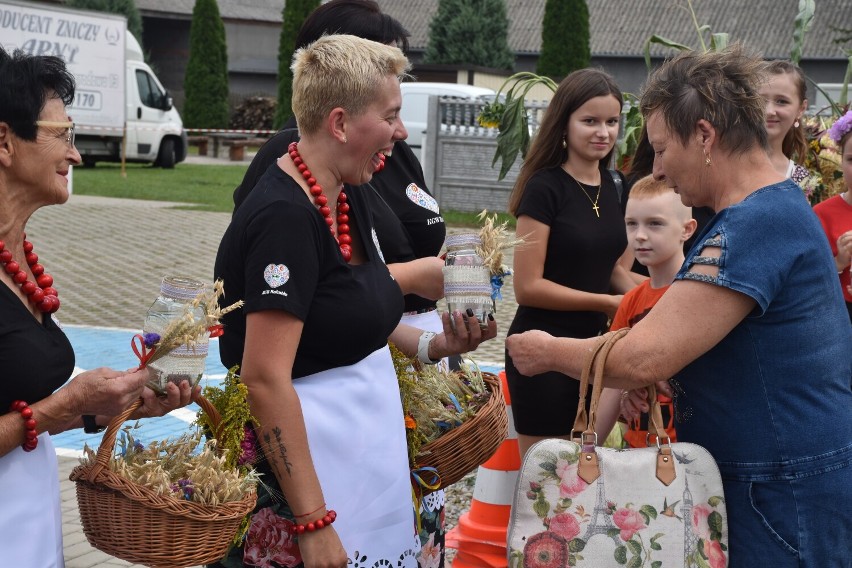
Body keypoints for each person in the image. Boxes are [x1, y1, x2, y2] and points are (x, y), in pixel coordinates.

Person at [507, 46, 852, 567]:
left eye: (663, 149)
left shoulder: (757, 223)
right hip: (774, 478)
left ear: (706, 137)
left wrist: (548, 351)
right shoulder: (761, 211)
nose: (660, 168)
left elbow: (646, 357)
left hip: (780, 489)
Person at [212, 35, 496, 568]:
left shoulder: (348, 191)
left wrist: (436, 345)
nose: (402, 131)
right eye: (390, 115)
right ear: (340, 124)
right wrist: (314, 522)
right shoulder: (284, 218)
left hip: (361, 463)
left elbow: (340, 313)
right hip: (313, 478)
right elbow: (264, 377)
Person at [0, 47, 198, 567]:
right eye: (62, 134)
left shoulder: (20, 258)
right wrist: (55, 410)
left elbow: (19, 403)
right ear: (4, 141)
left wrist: (103, 406)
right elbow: (31, 415)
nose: (76, 155)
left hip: (30, 530)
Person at [504, 68, 638, 460]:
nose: (603, 132)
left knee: (584, 475)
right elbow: (527, 287)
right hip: (541, 352)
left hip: (594, 354)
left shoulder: (618, 186)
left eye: (611, 121)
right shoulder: (544, 187)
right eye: (590, 121)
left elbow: (612, 269)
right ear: (564, 124)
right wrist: (607, 304)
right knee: (547, 486)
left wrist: (650, 299)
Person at [594, 175, 696, 446]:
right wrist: (583, 452)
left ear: (687, 229)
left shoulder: (698, 295)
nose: (640, 235)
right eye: (631, 224)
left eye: (655, 224)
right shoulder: (630, 301)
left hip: (691, 449)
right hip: (638, 449)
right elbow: (612, 380)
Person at [814, 109, 852, 321]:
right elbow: (808, 280)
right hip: (838, 317)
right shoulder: (822, 214)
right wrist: (838, 262)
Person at [759, 60, 810, 183]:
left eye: (782, 101)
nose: (769, 111)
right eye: (760, 101)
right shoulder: (724, 165)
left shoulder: (800, 179)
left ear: (801, 108)